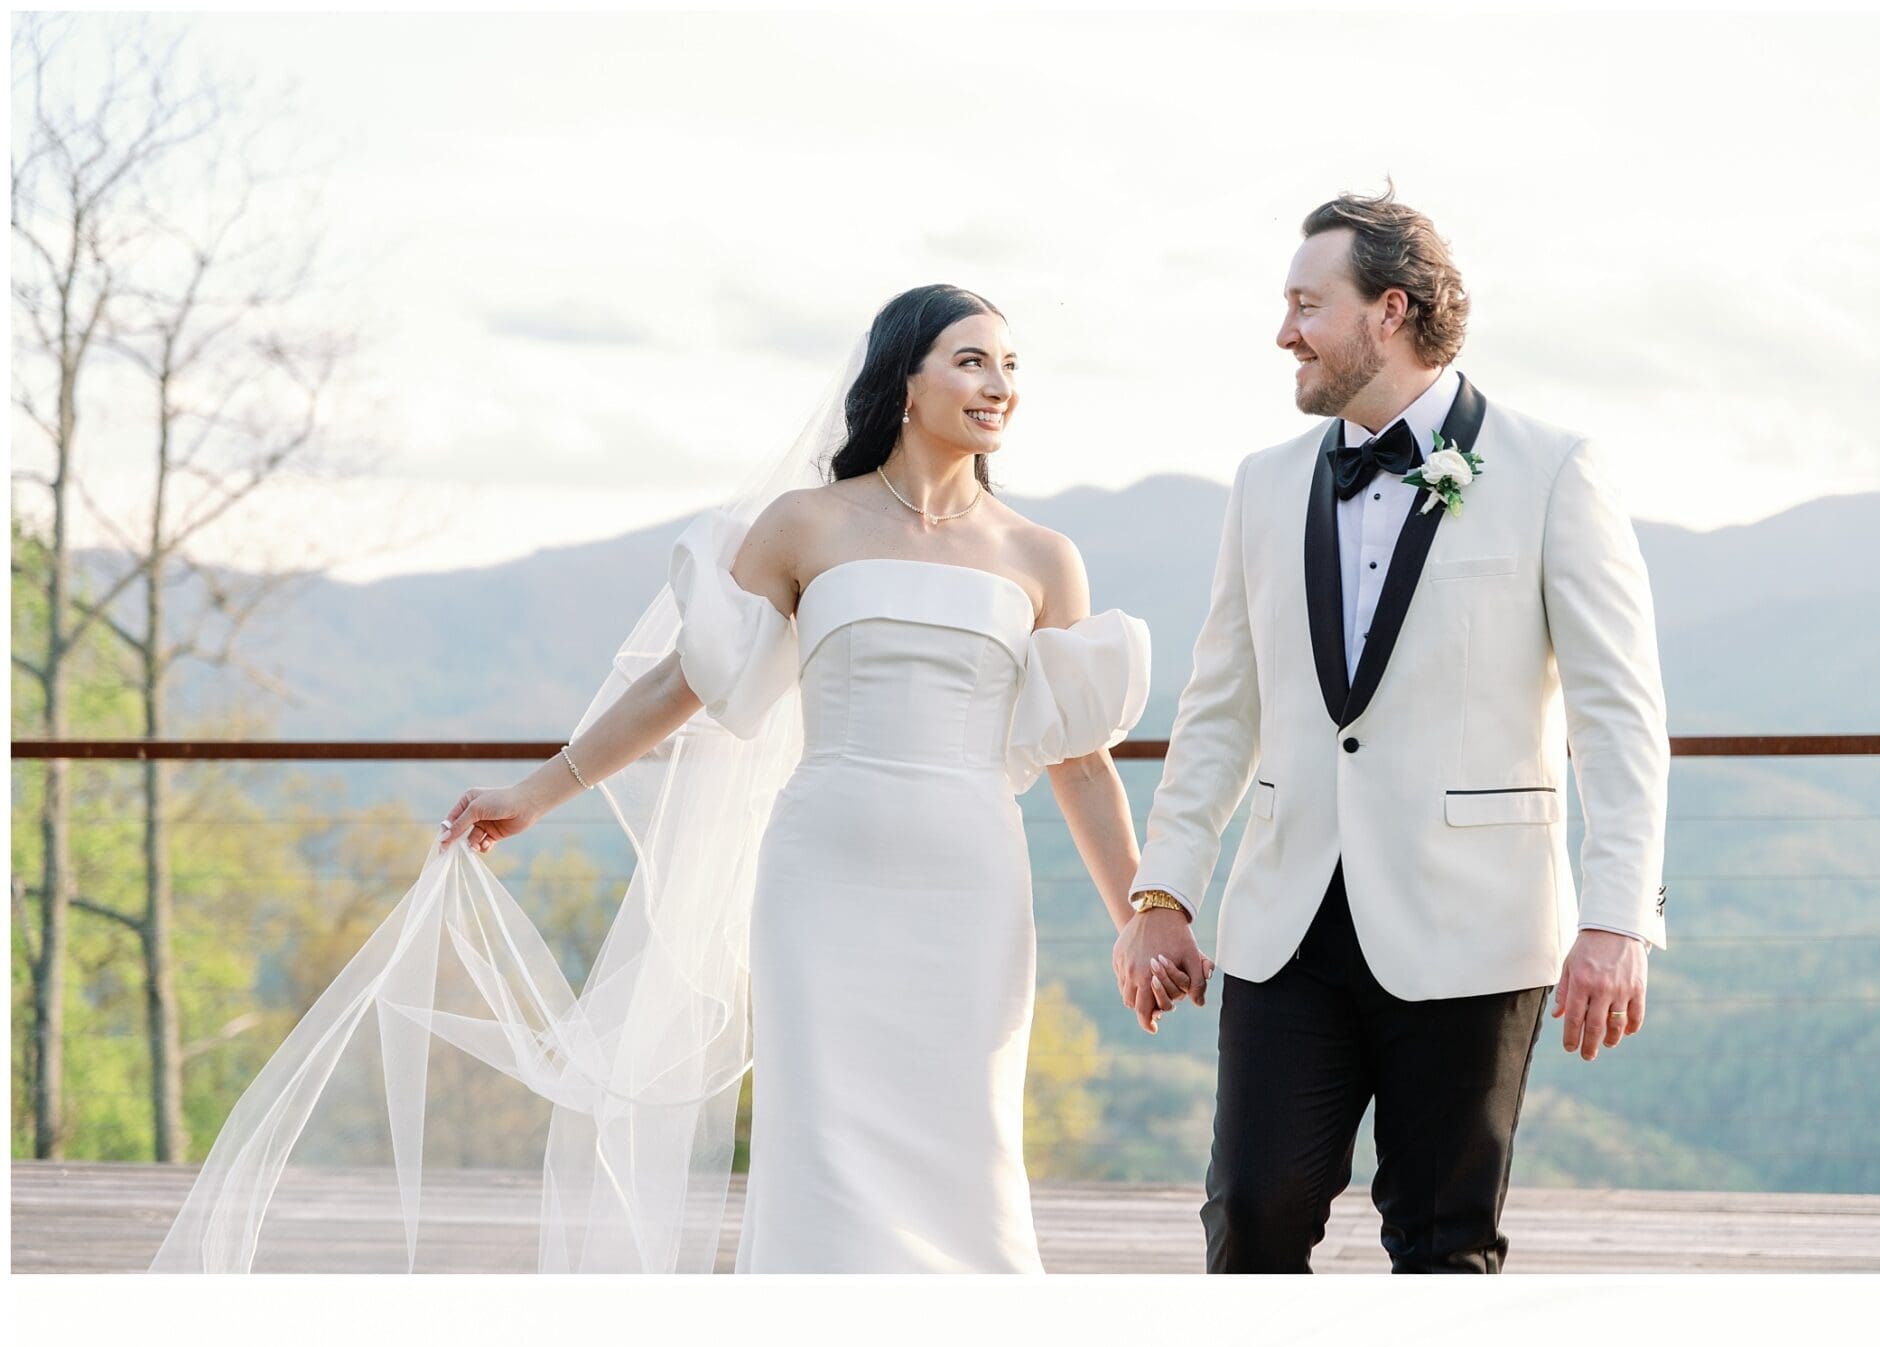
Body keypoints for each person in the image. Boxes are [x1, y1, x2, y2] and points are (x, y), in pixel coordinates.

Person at [155, 288, 1156, 1278]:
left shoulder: (1040, 557)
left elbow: (1077, 760)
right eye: (971, 359)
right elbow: (686, 678)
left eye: (1011, 365)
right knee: (822, 1144)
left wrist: (1140, 916)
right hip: (823, 880)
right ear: (903, 379)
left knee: (968, 1139)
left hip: (969, 886)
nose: (998, 385)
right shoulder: (805, 525)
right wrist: (540, 790)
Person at [1116, 191, 1670, 1273]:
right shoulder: (1262, 484)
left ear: (1390, 310)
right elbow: (1220, 703)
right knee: (1251, 1213)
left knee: (1441, 1243)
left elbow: (1619, 713)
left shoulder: (1555, 468)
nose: (1283, 332)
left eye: (1304, 305)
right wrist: (1162, 892)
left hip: (1474, 923)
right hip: (1287, 924)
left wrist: (1615, 918)